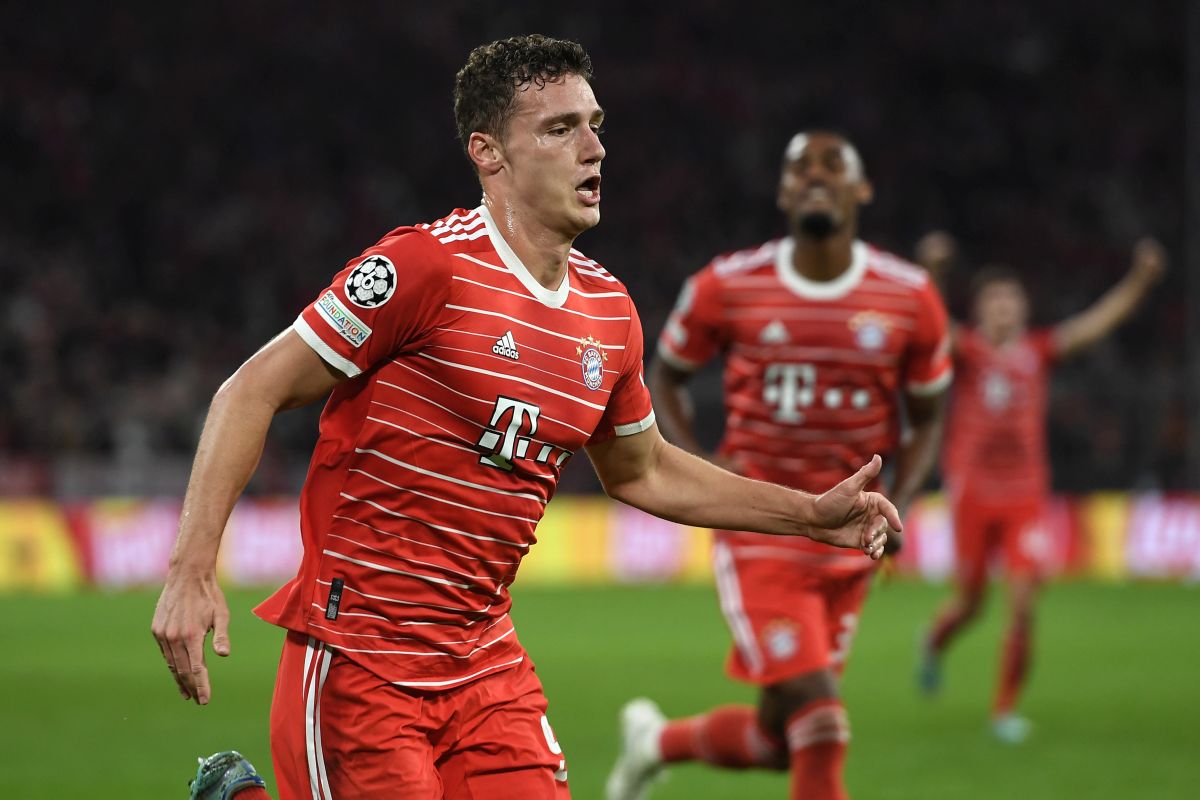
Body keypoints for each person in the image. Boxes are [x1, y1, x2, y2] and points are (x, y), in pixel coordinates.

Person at [152, 36, 901, 800]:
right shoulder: (424, 268)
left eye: (595, 125)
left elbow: (644, 470)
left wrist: (808, 515)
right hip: (362, 658)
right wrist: (190, 570)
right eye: (560, 129)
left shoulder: (609, 312)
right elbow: (248, 392)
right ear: (489, 152)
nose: (594, 148)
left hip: (485, 665)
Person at [606, 131, 952, 800]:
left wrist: (903, 503)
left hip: (850, 540)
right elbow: (666, 374)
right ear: (784, 192)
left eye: (832, 165)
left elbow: (929, 415)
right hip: (761, 532)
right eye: (800, 168)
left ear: (862, 190)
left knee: (776, 741)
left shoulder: (910, 296)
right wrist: (701, 460)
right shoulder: (727, 284)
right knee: (820, 721)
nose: (815, 175)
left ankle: (652, 744)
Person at [915, 232, 1167, 743]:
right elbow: (929, 322)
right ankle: (934, 640)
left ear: (1024, 308)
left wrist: (1141, 280)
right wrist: (933, 270)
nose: (1003, 308)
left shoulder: (1039, 350)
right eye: (994, 301)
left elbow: (1098, 323)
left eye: (1011, 300)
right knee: (971, 602)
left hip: (1025, 494)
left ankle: (1004, 711)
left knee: (1024, 602)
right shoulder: (968, 351)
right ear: (980, 311)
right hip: (973, 493)